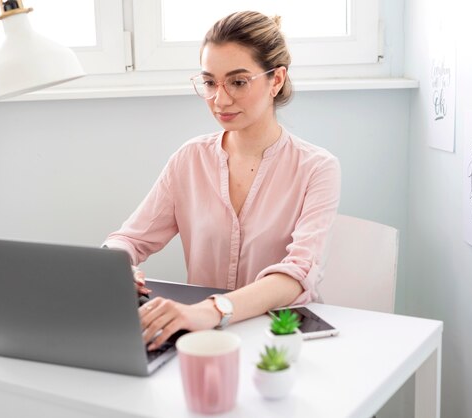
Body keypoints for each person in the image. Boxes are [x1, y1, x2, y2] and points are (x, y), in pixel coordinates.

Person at [103, 11, 341, 350]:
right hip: (204, 341)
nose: (220, 99)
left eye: (238, 82)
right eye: (211, 82)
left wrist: (210, 311)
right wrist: (116, 266)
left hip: (280, 342)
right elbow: (129, 238)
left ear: (276, 80)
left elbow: (297, 273)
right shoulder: (190, 159)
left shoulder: (317, 168)